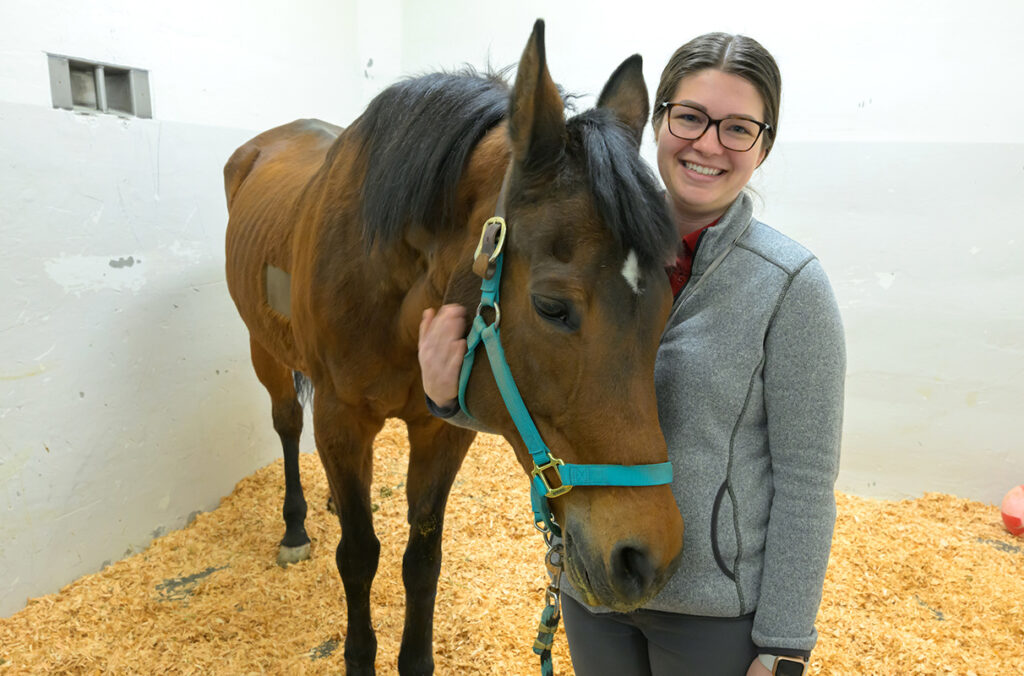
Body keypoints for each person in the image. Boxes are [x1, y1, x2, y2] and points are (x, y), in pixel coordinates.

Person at [418, 32, 845, 676]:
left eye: (738, 128)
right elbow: (565, 403)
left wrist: (785, 641)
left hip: (712, 612)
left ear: (765, 145)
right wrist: (447, 400)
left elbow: (807, 481)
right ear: (659, 121)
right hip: (593, 582)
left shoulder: (789, 285)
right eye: (691, 117)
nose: (708, 144)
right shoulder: (601, 262)